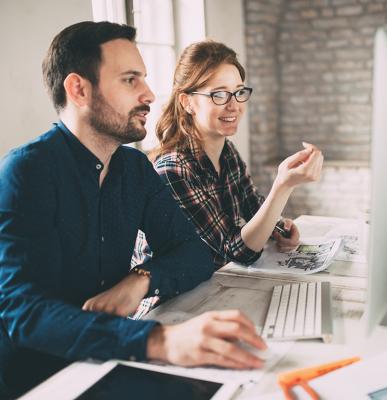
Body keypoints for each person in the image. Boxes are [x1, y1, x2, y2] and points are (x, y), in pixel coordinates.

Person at [0, 22, 266, 399]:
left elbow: (192, 254)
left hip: (115, 357)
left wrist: (141, 279)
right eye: (130, 80)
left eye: (143, 78)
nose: (149, 94)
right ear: (78, 89)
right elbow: (24, 313)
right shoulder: (26, 172)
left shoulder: (133, 167)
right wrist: (159, 340)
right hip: (46, 380)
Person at [144, 40, 323, 269]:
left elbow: (252, 207)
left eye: (239, 92)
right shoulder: (173, 170)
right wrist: (283, 185)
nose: (234, 105)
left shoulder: (227, 152)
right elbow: (237, 251)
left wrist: (278, 227)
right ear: (187, 102)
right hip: (171, 301)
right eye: (219, 95)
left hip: (213, 284)